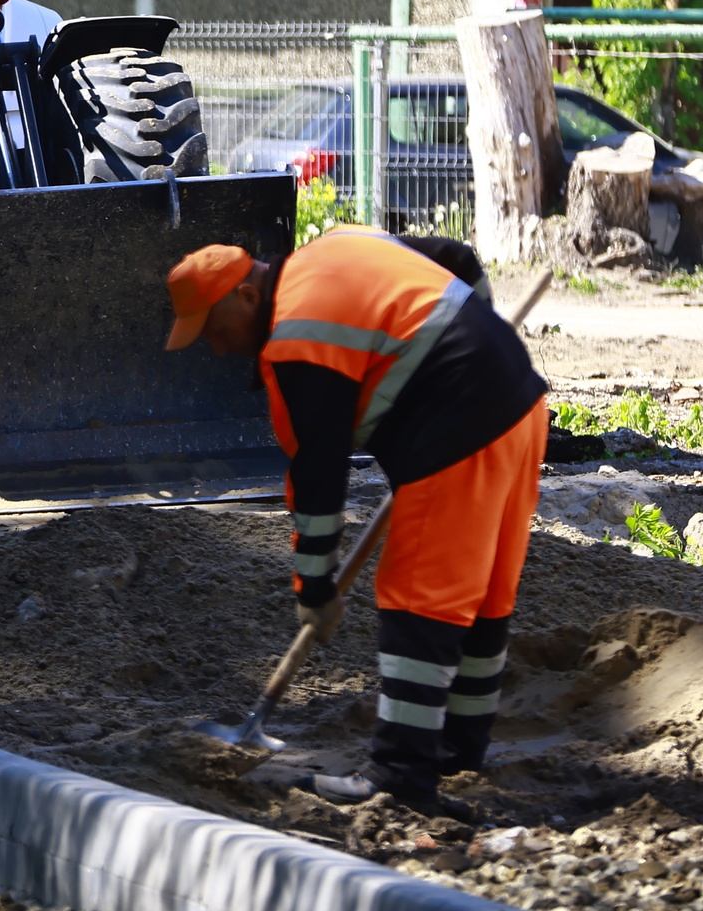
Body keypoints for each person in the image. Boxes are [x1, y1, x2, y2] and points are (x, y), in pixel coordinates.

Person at [165, 225, 547, 808]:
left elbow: (318, 474)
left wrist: (315, 589)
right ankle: (457, 751)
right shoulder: (339, 244)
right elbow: (456, 258)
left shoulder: (294, 338)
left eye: (216, 332)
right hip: (517, 400)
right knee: (481, 596)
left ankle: (401, 773)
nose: (218, 349)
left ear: (246, 296)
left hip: (458, 423)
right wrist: (479, 344)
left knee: (419, 594)